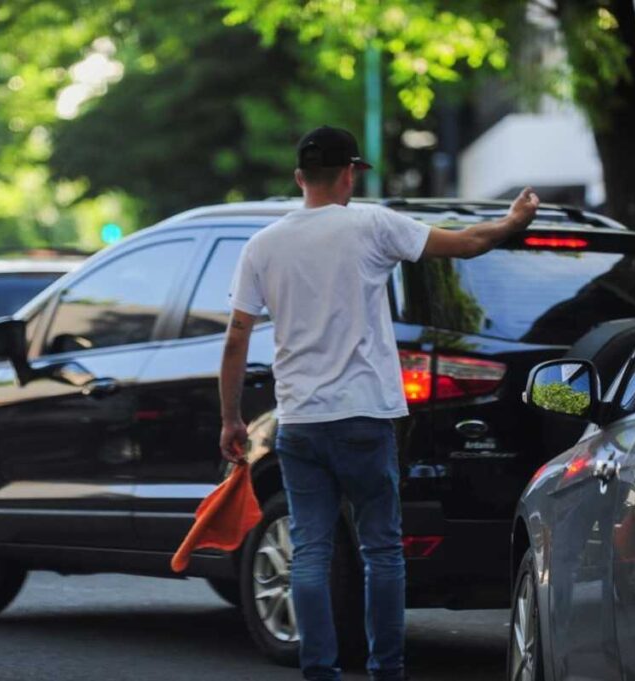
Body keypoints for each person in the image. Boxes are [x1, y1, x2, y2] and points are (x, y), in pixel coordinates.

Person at [218, 125, 539, 681]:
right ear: (349, 174)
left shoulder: (262, 246)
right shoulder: (372, 224)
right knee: (382, 551)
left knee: (310, 550)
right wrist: (513, 221)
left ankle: (319, 669)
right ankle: (386, 669)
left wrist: (231, 418)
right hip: (365, 416)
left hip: (300, 421)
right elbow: (466, 243)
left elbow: (236, 337)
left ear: (299, 178)